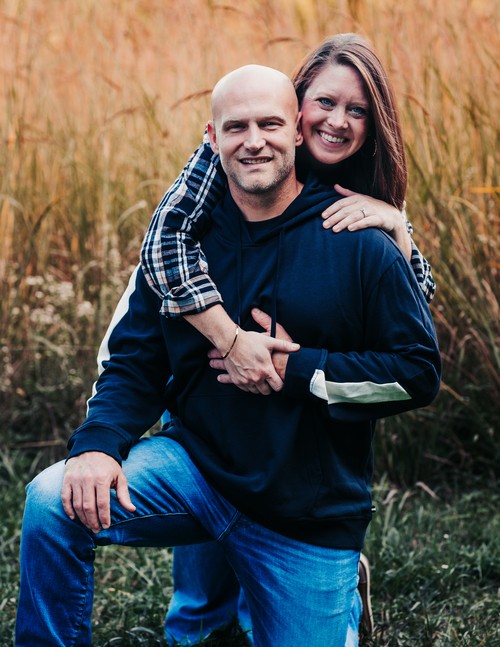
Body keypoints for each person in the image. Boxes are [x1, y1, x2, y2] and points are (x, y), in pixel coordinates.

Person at [15, 64, 441, 647]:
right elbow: (136, 360)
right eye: (236, 127)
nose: (254, 141)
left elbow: (417, 372)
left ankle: (332, 599)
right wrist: (97, 444)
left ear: (296, 130)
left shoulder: (360, 242)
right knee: (51, 500)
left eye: (270, 124)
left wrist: (295, 369)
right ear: (212, 138)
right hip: (196, 472)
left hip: (305, 513)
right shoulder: (183, 246)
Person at [140, 33, 436, 643]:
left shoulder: (365, 206)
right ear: (296, 108)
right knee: (199, 607)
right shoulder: (233, 156)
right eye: (325, 102)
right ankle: (201, 620)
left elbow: (411, 328)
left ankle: (311, 590)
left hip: (305, 457)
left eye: (358, 111)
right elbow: (163, 244)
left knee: (275, 599)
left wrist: (400, 234)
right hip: (211, 418)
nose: (337, 122)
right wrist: (231, 341)